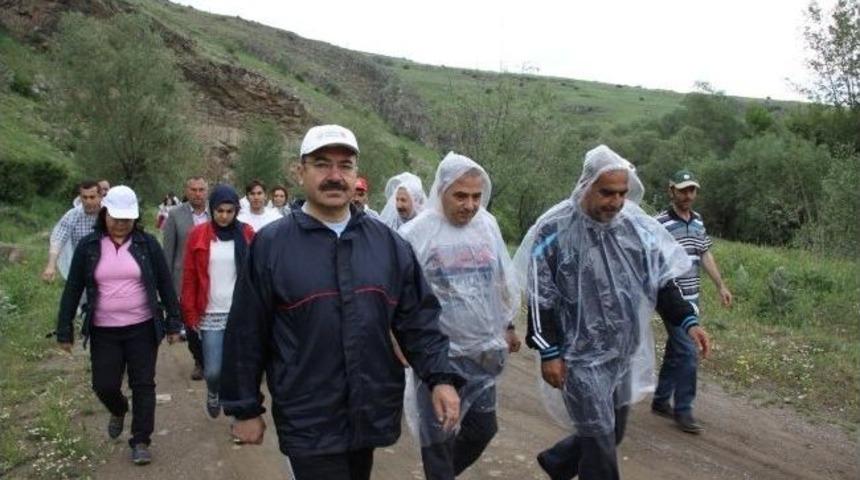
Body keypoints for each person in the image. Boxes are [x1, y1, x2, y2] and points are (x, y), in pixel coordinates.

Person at [220, 124, 462, 480]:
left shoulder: (388, 245)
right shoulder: (271, 246)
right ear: (300, 171)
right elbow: (246, 332)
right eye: (321, 164)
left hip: (369, 408)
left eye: (345, 165)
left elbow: (418, 321)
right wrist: (244, 408)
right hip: (308, 414)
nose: (335, 175)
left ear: (356, 174)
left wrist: (441, 378)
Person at [515, 145, 711, 480]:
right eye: (607, 192)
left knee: (613, 431)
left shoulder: (634, 227)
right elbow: (540, 297)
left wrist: (688, 320)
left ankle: (558, 462)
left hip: (622, 352)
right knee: (600, 446)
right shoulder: (555, 229)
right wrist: (549, 350)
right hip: (579, 357)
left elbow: (661, 282)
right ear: (585, 184)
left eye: (622, 193)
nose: (616, 202)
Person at [400, 152, 521, 480]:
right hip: (437, 355)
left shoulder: (487, 224)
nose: (470, 205)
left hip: (482, 351)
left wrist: (507, 324)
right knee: (438, 439)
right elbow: (398, 296)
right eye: (461, 196)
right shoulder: (417, 233)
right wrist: (398, 341)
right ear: (441, 191)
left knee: (483, 429)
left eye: (476, 196)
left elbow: (499, 277)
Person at [56, 186, 182, 465]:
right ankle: (118, 408)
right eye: (116, 218)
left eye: (128, 219)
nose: (122, 224)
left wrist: (174, 321)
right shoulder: (89, 246)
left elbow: (165, 284)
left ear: (135, 218)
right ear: (105, 214)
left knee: (143, 385)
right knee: (104, 385)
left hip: (142, 327)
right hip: (103, 329)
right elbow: (74, 288)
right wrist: (64, 328)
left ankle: (140, 441)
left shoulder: (147, 244)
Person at [651, 169, 732, 434]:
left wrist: (721, 285)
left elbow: (704, 253)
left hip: (692, 298)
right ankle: (684, 410)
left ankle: (662, 400)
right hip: (670, 298)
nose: (688, 195)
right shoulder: (659, 223)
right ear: (671, 191)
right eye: (683, 190)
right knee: (688, 350)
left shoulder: (697, 222)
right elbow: (651, 263)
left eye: (692, 190)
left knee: (677, 350)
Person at [181, 185, 255, 419]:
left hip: (239, 312)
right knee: (213, 371)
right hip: (210, 311)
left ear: (236, 211)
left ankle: (236, 416)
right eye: (219, 211)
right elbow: (190, 275)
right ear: (212, 209)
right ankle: (213, 391)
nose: (224, 216)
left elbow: (256, 273)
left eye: (229, 211)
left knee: (237, 370)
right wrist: (189, 312)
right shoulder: (198, 235)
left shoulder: (246, 234)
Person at [163, 176, 209, 381]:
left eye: (201, 190)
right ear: (186, 191)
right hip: (185, 279)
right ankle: (199, 361)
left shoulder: (217, 212)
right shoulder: (174, 215)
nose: (198, 194)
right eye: (193, 190)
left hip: (212, 277)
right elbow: (169, 251)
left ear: (207, 191)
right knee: (191, 324)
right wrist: (168, 286)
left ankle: (214, 360)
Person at [43, 180, 102, 282]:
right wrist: (51, 266)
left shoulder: (109, 215)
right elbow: (58, 239)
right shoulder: (72, 215)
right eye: (84, 197)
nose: (88, 201)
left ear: (100, 197)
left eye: (92, 197)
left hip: (105, 269)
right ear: (80, 197)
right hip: (81, 268)